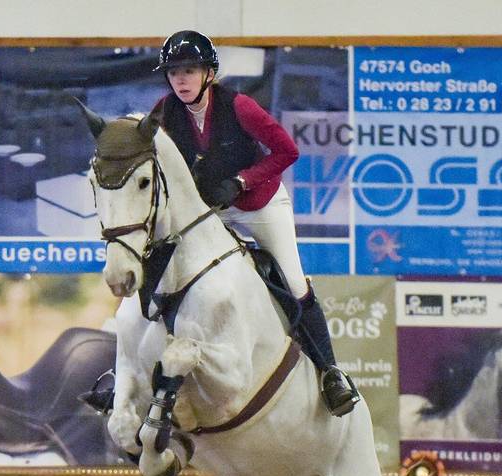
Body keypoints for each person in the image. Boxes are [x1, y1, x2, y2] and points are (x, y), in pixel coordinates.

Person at [152, 30, 359, 417]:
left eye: (190, 70)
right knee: (170, 272)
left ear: (209, 73)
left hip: (259, 204)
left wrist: (243, 180)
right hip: (210, 208)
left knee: (295, 284)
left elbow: (288, 150)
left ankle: (332, 374)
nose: (181, 79)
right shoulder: (164, 113)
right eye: (174, 72)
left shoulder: (240, 106)